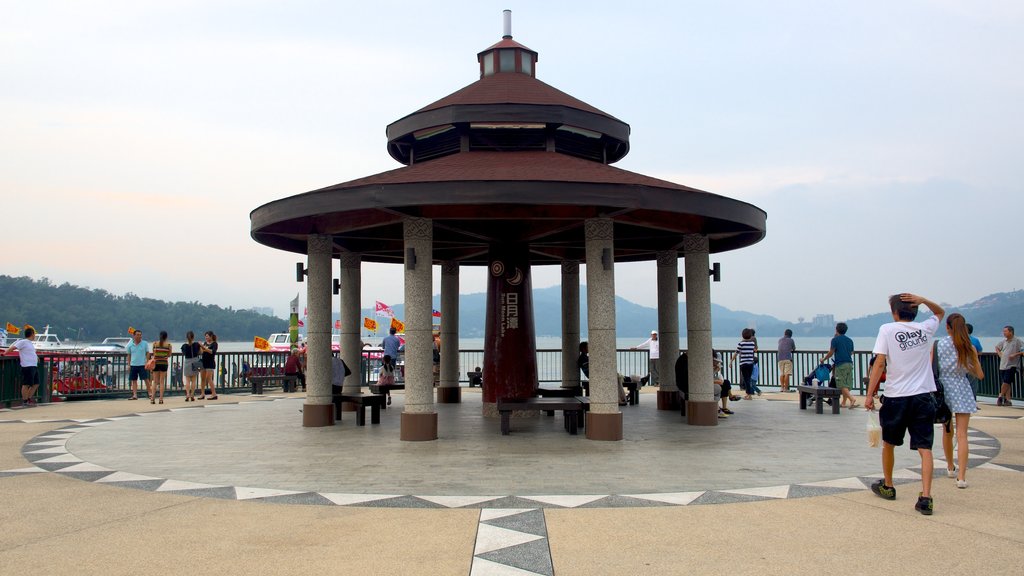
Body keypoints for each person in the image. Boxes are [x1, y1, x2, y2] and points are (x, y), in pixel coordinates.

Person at [865, 293, 945, 516]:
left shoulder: (887, 330)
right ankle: (926, 497)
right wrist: (924, 299)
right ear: (915, 310)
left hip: (896, 396)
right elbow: (940, 312)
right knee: (924, 448)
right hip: (922, 396)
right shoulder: (925, 329)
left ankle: (888, 486)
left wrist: (870, 394)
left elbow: (880, 363)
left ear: (894, 312)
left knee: (889, 443)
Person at [937, 313, 985, 488]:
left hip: (944, 390)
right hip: (962, 389)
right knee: (962, 435)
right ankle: (962, 477)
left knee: (947, 431)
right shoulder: (969, 347)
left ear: (948, 327)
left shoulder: (939, 345)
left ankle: (950, 467)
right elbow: (979, 375)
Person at [821, 323, 858, 408]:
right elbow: (851, 352)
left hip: (840, 364)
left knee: (841, 384)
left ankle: (852, 399)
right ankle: (844, 402)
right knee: (846, 384)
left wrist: (823, 359)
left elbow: (831, 352)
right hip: (849, 363)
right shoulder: (850, 340)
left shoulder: (835, 340)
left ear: (836, 330)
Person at [6, 326, 39, 407]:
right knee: (26, 384)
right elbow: (12, 348)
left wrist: (36, 357)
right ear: (32, 334)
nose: (35, 336)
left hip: (33, 365)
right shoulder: (23, 342)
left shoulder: (30, 343)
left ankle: (28, 399)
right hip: (27, 366)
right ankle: (25, 401)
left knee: (36, 384)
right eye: (34, 334)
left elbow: (30, 353)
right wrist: (5, 353)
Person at [994, 325, 1023, 406]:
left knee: (1006, 381)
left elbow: (1023, 350)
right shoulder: (1004, 341)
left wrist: (1015, 354)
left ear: (1011, 332)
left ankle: (1000, 396)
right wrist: (999, 354)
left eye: (1005, 331)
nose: (1004, 333)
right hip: (1003, 364)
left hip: (1012, 365)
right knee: (1007, 382)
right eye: (1003, 331)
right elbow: (997, 347)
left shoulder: (1017, 341)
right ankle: (1008, 400)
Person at [730, 328, 758, 399]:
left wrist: (731, 361)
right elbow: (755, 350)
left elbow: (736, 353)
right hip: (750, 364)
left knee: (746, 379)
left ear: (742, 335)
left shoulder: (741, 343)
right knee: (748, 378)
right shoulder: (752, 343)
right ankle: (749, 394)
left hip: (743, 364)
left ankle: (749, 394)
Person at [125, 329, 151, 401]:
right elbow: (129, 355)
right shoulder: (130, 345)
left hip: (142, 364)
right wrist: (129, 364)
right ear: (134, 335)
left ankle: (150, 393)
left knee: (146, 379)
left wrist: (147, 361)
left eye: (140, 335)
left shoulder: (144, 343)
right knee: (134, 380)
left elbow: (147, 353)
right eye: (137, 335)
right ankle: (135, 395)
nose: (139, 336)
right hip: (133, 364)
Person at [150, 331, 172, 404]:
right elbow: (169, 355)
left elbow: (154, 353)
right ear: (166, 337)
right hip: (164, 363)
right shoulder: (168, 345)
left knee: (155, 381)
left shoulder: (155, 344)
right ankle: (161, 399)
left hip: (156, 363)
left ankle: (152, 398)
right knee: (162, 381)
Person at [181, 331, 201, 401]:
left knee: (187, 379)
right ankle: (192, 395)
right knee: (194, 380)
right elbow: (200, 352)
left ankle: (187, 394)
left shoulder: (184, 346)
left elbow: (183, 353)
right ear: (193, 337)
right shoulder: (196, 344)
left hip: (187, 361)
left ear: (186, 337)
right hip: (196, 360)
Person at [198, 331, 219, 400]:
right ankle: (202, 393)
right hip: (203, 362)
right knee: (203, 378)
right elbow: (202, 352)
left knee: (209, 378)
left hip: (210, 362)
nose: (206, 338)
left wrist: (203, 347)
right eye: (205, 336)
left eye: (207, 336)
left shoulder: (214, 344)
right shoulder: (205, 343)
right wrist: (200, 348)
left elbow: (212, 352)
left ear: (211, 336)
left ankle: (214, 394)